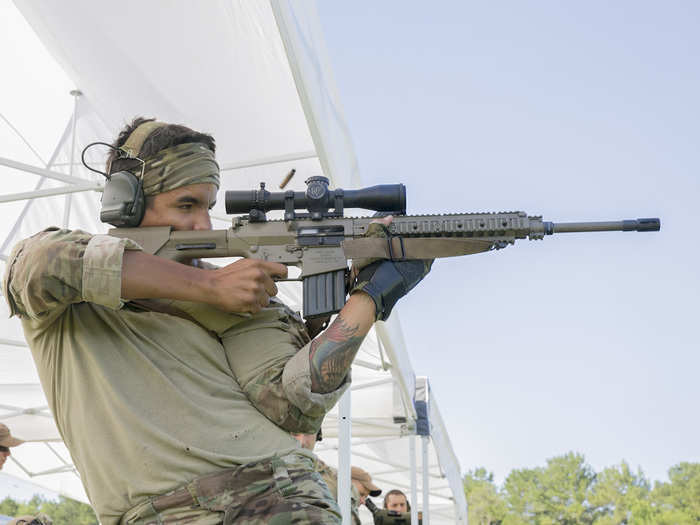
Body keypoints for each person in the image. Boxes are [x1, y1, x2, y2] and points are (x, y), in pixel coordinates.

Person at [3, 118, 431, 525]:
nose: (203, 224)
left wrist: (368, 298)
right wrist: (209, 288)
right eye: (186, 204)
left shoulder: (240, 293)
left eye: (208, 206)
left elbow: (292, 404)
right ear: (124, 201)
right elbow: (41, 264)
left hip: (286, 497)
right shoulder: (62, 286)